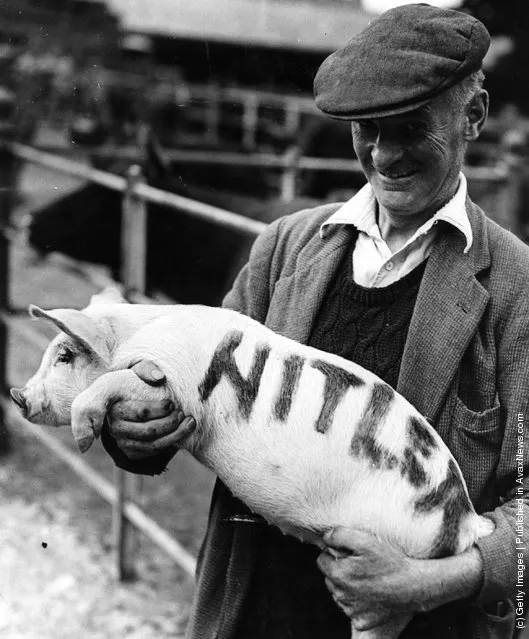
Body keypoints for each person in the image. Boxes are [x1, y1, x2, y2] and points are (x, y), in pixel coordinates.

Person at [101, 4, 528, 638]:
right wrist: (138, 430)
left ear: (473, 116)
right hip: (257, 610)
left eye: (411, 127)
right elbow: (188, 384)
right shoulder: (285, 249)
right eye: (366, 129)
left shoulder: (516, 290)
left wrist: (431, 582)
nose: (384, 155)